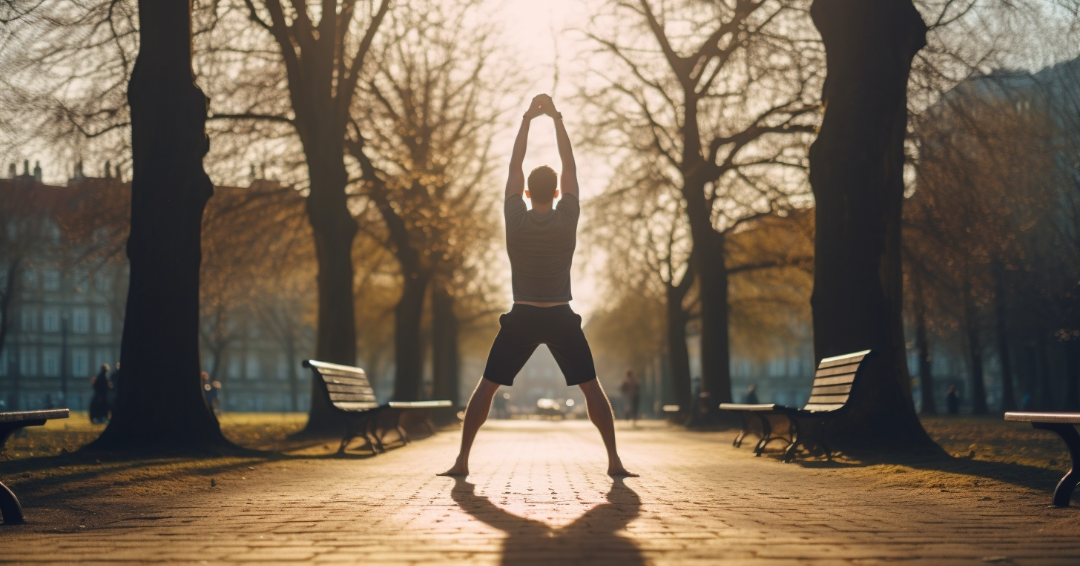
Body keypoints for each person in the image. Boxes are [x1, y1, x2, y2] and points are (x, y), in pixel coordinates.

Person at [439, 94, 635, 477]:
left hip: (523, 315)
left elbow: (515, 165)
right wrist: (557, 119)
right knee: (591, 389)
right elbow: (570, 167)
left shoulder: (516, 217)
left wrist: (529, 119)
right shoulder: (567, 217)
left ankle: (462, 462)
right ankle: (614, 462)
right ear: (557, 192)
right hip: (560, 315)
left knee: (486, 388)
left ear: (527, 193)